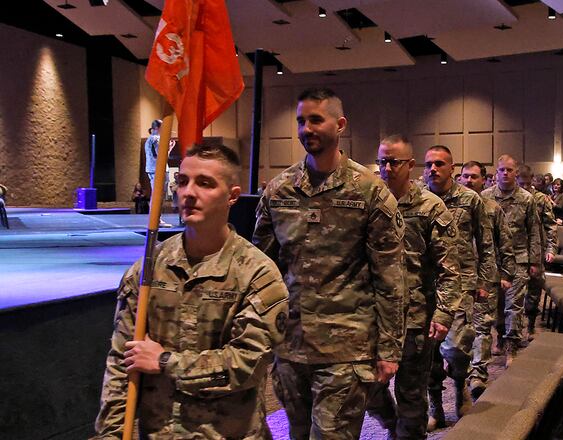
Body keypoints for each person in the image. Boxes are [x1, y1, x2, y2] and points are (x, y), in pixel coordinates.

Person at [94, 145, 289, 439]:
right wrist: (110, 434)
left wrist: (165, 362)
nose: (188, 193)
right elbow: (122, 362)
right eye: (183, 181)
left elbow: (246, 365)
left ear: (232, 196)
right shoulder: (149, 269)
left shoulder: (257, 274)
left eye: (205, 183)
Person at [253, 88, 406, 439]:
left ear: (340, 125)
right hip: (291, 346)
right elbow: (262, 269)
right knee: (298, 433)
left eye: (316, 120)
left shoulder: (369, 192)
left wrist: (389, 349)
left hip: (347, 349)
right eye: (301, 121)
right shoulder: (279, 190)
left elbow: (390, 277)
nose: (306, 128)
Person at [366, 135, 461, 439]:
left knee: (411, 397)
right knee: (367, 387)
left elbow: (450, 267)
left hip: (416, 320)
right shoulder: (368, 202)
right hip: (373, 317)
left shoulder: (429, 207)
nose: (387, 168)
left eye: (394, 162)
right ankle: (392, 425)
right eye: (382, 161)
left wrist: (444, 313)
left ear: (410, 165)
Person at [423, 145, 496, 431]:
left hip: (461, 283)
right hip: (425, 285)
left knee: (456, 347)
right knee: (428, 351)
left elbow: (486, 244)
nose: (433, 169)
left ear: (451, 168)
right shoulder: (417, 198)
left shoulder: (469, 199)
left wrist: (484, 282)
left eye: (440, 164)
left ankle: (460, 384)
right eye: (429, 164)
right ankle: (435, 406)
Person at [459, 160, 515, 399]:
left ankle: (478, 375)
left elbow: (505, 243)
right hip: (457, 280)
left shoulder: (492, 208)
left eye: (474, 177)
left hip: (485, 278)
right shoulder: (450, 207)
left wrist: (506, 274)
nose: (469, 181)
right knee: (460, 330)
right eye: (465, 176)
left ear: (484, 180)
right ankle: (460, 373)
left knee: (482, 327)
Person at [481, 155, 542, 367]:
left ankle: (512, 346)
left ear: (516, 173)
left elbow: (534, 231)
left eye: (509, 170)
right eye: (501, 170)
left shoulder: (526, 199)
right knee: (496, 305)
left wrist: (535, 261)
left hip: (519, 259)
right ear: (496, 173)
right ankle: (499, 336)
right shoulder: (485, 196)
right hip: (493, 260)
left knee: (514, 306)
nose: (505, 173)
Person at [521, 165, 557, 344]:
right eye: (521, 184)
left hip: (536, 251)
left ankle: (530, 326)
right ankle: (508, 332)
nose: (524, 187)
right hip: (515, 252)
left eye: (527, 184)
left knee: (534, 290)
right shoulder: (512, 198)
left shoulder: (541, 199)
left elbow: (550, 225)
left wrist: (551, 249)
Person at [144, 119, 173, 227]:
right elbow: (161, 156)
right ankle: (156, 219)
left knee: (156, 194)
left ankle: (155, 219)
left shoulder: (149, 139)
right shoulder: (156, 139)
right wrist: (170, 148)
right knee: (158, 195)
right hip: (158, 169)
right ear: (157, 128)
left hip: (152, 169)